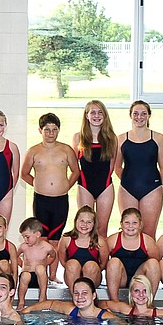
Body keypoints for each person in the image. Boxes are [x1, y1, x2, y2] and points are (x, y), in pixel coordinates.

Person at [20, 113, 79, 281]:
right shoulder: (34, 151)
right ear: (40, 130)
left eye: (54, 130)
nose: (50, 133)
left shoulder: (66, 149)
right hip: (41, 201)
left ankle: (53, 275)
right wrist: (38, 184)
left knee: (55, 240)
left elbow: (76, 171)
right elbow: (24, 174)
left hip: (60, 200)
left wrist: (66, 185)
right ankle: (41, 275)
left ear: (59, 130)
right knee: (41, 239)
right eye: (47, 130)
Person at [115, 101, 163, 238]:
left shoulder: (158, 138)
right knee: (128, 232)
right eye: (136, 114)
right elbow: (117, 167)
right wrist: (130, 179)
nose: (139, 117)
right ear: (130, 116)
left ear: (149, 115)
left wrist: (161, 188)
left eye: (143, 113)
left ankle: (150, 260)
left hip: (152, 189)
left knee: (148, 234)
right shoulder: (120, 139)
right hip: (127, 189)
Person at [72, 100, 117, 238]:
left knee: (102, 229)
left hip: (105, 187)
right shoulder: (78, 137)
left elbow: (112, 166)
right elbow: (74, 166)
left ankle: (102, 260)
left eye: (100, 112)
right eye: (93, 112)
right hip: (85, 187)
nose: (96, 116)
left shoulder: (112, 138)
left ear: (105, 115)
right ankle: (85, 258)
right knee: (85, 228)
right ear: (86, 115)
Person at [105, 208, 161, 302]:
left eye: (134, 223)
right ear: (121, 224)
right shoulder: (112, 240)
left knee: (153, 263)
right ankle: (114, 301)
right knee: (113, 262)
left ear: (140, 225)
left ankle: (149, 301)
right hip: (121, 278)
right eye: (127, 222)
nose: (130, 226)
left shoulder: (147, 241)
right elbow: (103, 261)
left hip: (139, 277)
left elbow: (156, 263)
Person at [57, 206, 108, 292]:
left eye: (89, 222)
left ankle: (88, 297)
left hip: (92, 275)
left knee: (91, 265)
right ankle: (75, 298)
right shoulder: (66, 239)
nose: (85, 225)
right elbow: (63, 260)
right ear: (75, 221)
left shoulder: (100, 242)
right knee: (72, 264)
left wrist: (89, 270)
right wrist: (75, 270)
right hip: (72, 275)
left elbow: (103, 263)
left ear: (94, 224)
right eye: (82, 221)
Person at [21, 276, 118, 321]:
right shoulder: (71, 310)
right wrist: (28, 309)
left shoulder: (106, 316)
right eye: (76, 293)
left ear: (93, 295)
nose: (80, 297)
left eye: (84, 293)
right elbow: (50, 304)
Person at [16, 217, 56, 309]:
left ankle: (42, 297)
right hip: (27, 278)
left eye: (27, 237)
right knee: (26, 275)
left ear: (38, 234)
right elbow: (15, 256)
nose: (25, 240)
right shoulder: (23, 247)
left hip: (40, 279)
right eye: (23, 237)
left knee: (40, 268)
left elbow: (53, 256)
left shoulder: (47, 247)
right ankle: (21, 301)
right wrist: (22, 264)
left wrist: (46, 263)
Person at [97, 274, 163, 319]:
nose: (141, 294)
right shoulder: (125, 309)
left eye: (145, 290)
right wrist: (106, 311)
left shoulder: (162, 314)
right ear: (131, 293)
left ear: (150, 292)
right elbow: (101, 303)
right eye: (137, 291)